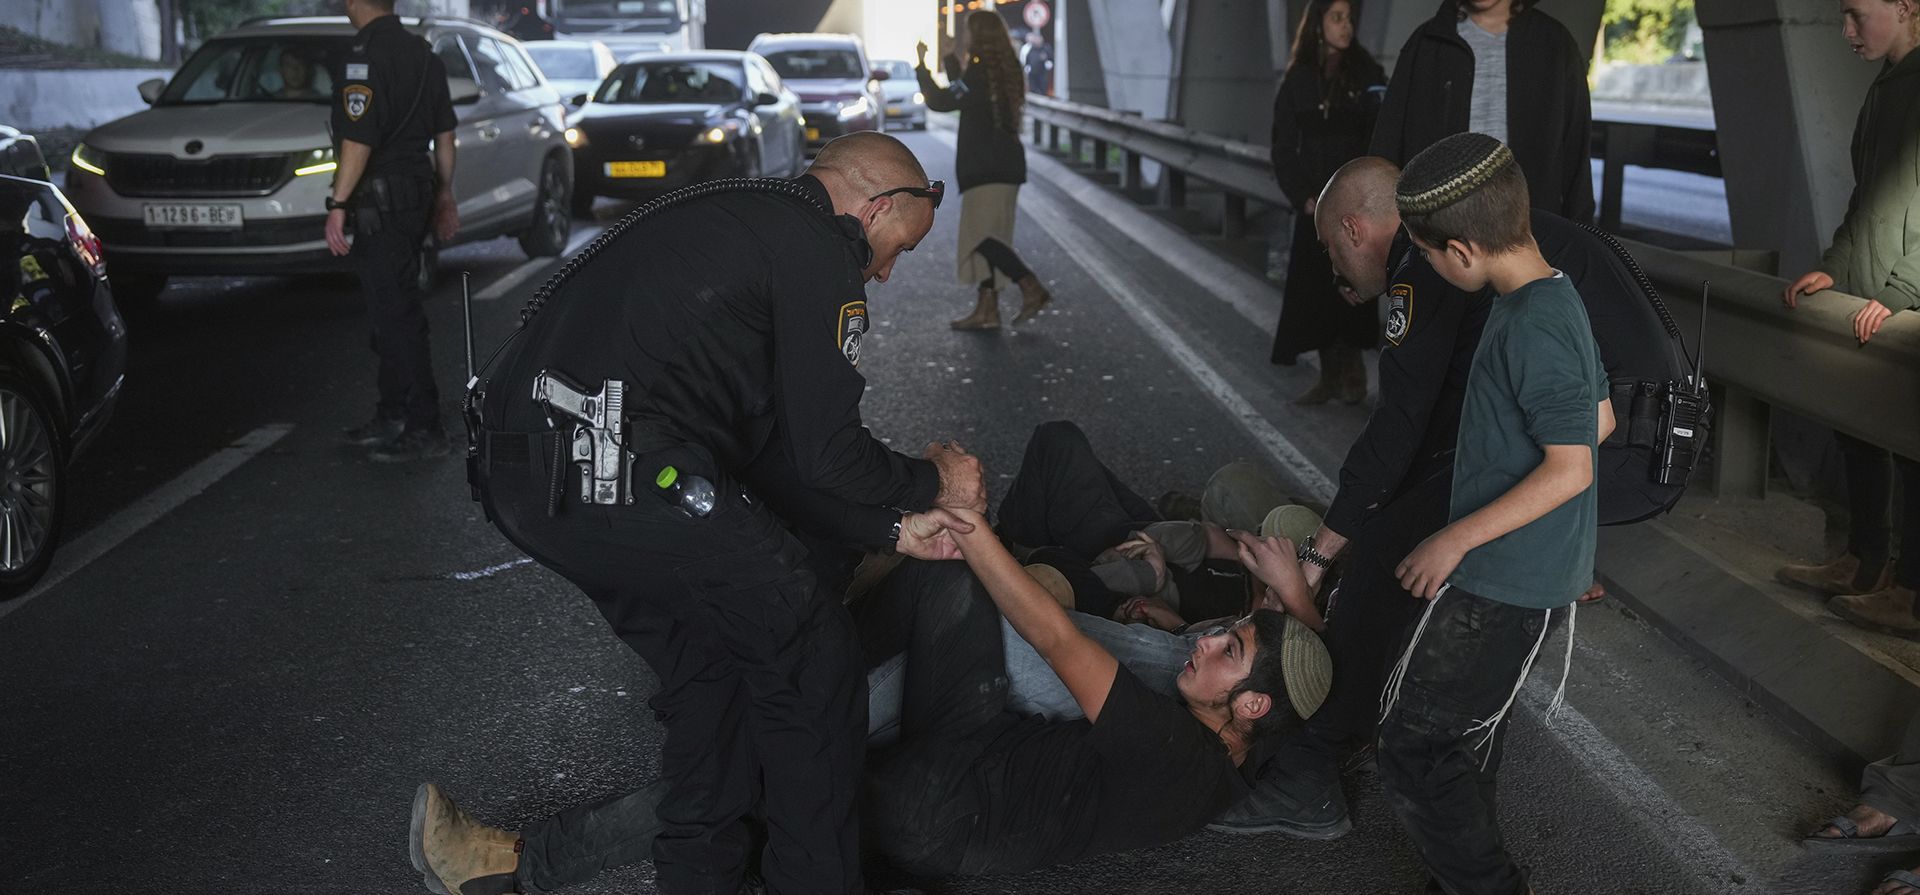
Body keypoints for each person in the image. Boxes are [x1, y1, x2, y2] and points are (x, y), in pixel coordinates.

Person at [460, 131, 981, 895]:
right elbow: (829, 453)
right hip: (624, 469)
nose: (890, 270)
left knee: (716, 670)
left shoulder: (745, 221)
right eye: (899, 246)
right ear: (876, 205)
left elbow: (769, 452)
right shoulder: (819, 245)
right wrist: (934, 478)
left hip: (533, 482)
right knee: (811, 657)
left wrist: (892, 528)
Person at [409, 547, 1333, 890]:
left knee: (755, 767)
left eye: (1229, 650)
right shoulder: (1223, 752)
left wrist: (974, 526)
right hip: (965, 765)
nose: (1206, 642)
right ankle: (799, 676)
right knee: (936, 584)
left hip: (942, 809)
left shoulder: (1175, 752)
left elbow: (1053, 635)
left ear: (1246, 704)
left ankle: (515, 864)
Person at [1215, 154, 1662, 840]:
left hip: (1586, 453)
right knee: (1461, 691)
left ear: (1360, 230)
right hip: (1626, 435)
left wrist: (1333, 545)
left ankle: (1313, 777)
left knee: (1384, 575)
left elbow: (1404, 421)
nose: (1337, 268)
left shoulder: (1429, 269)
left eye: (1334, 247)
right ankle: (1465, 850)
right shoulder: (1537, 272)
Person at [1376, 132, 1612, 893]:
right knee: (1466, 740)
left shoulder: (1532, 323)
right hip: (1529, 572)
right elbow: (1599, 420)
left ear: (1463, 250)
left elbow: (1572, 465)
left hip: (1502, 581)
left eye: (1429, 255)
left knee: (1415, 746)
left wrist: (1455, 537)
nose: (1434, 270)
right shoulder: (1555, 295)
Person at [1775, 0, 1920, 645]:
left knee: (1911, 444)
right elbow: (1867, 201)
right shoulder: (1887, 88)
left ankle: (1911, 595)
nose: (1845, 32)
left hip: (1905, 300)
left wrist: (1901, 290)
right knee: (1858, 428)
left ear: (1907, 5)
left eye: (1858, 14)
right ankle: (1865, 563)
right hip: (1870, 291)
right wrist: (1835, 267)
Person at [326, 0, 460, 462]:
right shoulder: (424, 54)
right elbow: (445, 135)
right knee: (390, 306)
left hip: (378, 201)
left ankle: (425, 426)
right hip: (415, 194)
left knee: (396, 312)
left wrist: (338, 204)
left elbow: (358, 138)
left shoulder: (364, 56)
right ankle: (393, 412)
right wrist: (445, 195)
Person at [1369, 0, 1594, 223]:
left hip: (1530, 227)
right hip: (1439, 227)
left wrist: (1582, 233)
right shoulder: (1427, 41)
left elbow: (1576, 147)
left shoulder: (1554, 42)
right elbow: (1387, 142)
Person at [1267, 0, 1386, 405]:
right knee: (1314, 293)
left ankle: (1352, 375)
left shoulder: (1367, 74)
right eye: (1337, 18)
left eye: (1349, 18)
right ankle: (1330, 376)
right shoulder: (1299, 81)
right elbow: (1283, 147)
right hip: (1314, 208)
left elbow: (1380, 136)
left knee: (1351, 289)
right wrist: (1302, 197)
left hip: (1356, 206)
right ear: (1318, 24)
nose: (1346, 26)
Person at [917, 11, 1053, 331]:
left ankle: (1030, 285)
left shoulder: (980, 73)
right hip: (1005, 167)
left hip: (985, 169)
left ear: (978, 36)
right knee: (993, 239)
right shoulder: (1001, 70)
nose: (965, 37)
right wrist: (951, 59)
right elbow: (964, 94)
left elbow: (940, 100)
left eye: (968, 32)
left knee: (981, 237)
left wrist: (922, 64)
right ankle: (987, 310)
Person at [1021, 31, 1053, 95]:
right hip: (1032, 72)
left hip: (1042, 72)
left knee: (1043, 87)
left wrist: (1047, 63)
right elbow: (1028, 58)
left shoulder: (1046, 48)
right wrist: (1027, 67)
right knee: (1033, 88)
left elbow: (1051, 59)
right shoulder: (1031, 48)